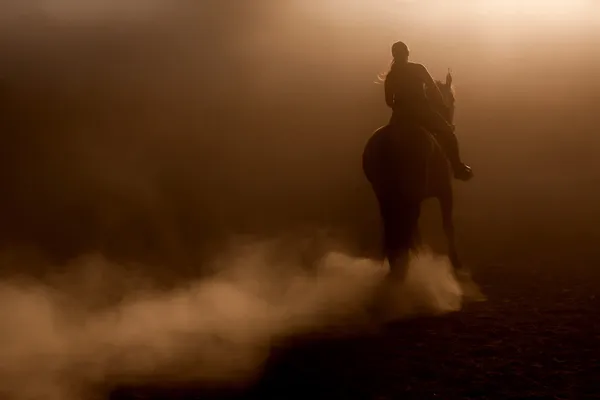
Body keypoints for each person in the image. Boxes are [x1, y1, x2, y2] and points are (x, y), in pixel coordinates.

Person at [384, 41, 473, 181]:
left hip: (400, 116)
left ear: (394, 55)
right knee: (448, 132)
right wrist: (442, 105)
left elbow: (389, 102)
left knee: (385, 141)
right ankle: (458, 168)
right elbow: (433, 88)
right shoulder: (418, 69)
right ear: (407, 53)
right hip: (423, 112)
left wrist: (400, 106)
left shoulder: (390, 76)